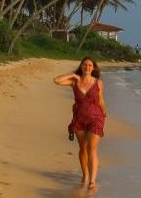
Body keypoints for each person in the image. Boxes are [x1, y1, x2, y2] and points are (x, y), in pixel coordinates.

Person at [54, 57, 107, 189]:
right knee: (83, 148)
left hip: (96, 118)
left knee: (92, 149)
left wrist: (104, 114)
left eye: (90, 65)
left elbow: (101, 101)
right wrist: (73, 74)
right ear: (81, 66)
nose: (87, 67)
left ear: (93, 68)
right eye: (85, 65)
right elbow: (56, 80)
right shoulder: (74, 82)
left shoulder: (98, 83)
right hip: (80, 119)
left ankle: (92, 181)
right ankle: (85, 175)